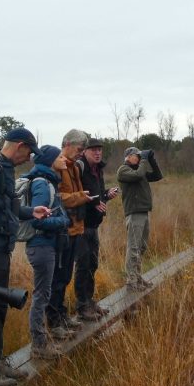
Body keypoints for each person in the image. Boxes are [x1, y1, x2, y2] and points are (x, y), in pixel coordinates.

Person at [0, 128, 50, 386]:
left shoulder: (3, 169)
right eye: (28, 152)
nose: (29, 158)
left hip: (2, 247)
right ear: (19, 145)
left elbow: (6, 208)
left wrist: (30, 211)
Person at [22, 145, 71, 359]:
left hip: (44, 246)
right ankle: (39, 346)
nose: (65, 160)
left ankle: (41, 343)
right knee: (42, 296)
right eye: (60, 156)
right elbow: (37, 219)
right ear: (51, 160)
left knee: (44, 294)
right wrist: (63, 221)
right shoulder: (43, 184)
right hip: (41, 245)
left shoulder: (48, 181)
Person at [46, 129, 92, 333]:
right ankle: (53, 321)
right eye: (79, 149)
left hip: (74, 229)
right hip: (61, 231)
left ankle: (62, 315)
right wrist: (81, 196)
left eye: (83, 150)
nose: (81, 153)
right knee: (57, 277)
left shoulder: (74, 167)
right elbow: (56, 200)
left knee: (65, 276)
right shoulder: (56, 166)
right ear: (66, 144)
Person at [75, 137, 118, 320]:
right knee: (83, 265)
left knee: (93, 265)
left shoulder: (98, 170)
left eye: (99, 149)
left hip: (94, 226)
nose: (98, 152)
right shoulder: (79, 168)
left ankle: (90, 301)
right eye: (93, 150)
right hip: (81, 225)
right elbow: (75, 197)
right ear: (84, 151)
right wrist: (93, 203)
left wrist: (106, 195)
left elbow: (97, 197)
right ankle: (82, 306)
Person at [116, 147, 163, 291]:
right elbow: (137, 175)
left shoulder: (139, 170)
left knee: (142, 247)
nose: (138, 158)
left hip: (143, 211)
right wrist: (144, 159)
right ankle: (131, 281)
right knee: (134, 247)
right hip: (134, 212)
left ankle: (137, 277)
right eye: (136, 156)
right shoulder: (123, 170)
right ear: (128, 157)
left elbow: (157, 175)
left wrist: (151, 159)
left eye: (139, 156)